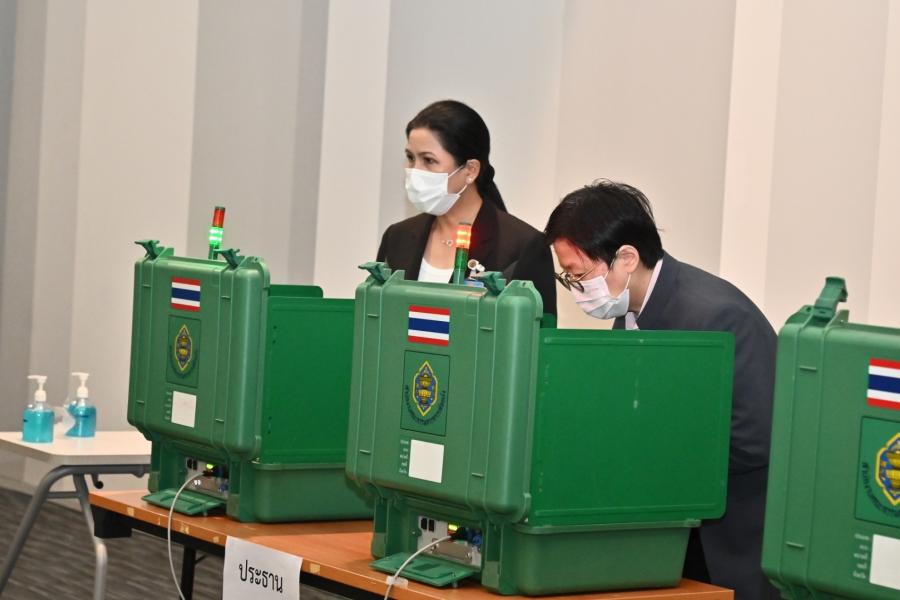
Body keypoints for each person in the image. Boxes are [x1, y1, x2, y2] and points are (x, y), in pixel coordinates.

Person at [544, 179, 779, 600]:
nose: (577, 289)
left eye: (580, 275)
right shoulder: (630, 310)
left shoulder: (717, 317)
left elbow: (756, 438)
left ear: (627, 258)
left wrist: (652, 465)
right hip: (666, 536)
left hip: (729, 543)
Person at [377, 100, 556, 316]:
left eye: (429, 160)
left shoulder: (522, 246)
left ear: (470, 170)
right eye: (410, 158)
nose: (415, 171)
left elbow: (536, 330)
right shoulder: (397, 237)